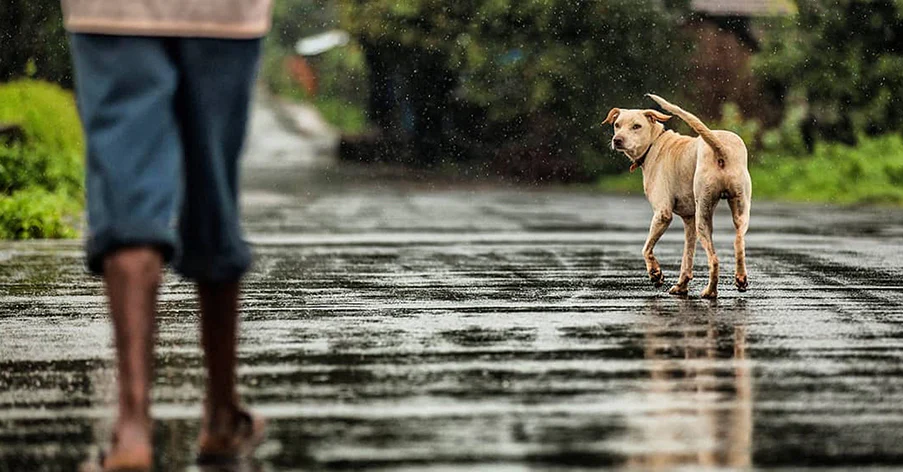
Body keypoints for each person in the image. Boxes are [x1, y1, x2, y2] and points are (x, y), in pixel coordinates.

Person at [61, 1, 273, 470]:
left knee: (128, 192)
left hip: (113, 12)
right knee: (213, 190)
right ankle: (220, 413)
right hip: (222, 16)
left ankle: (133, 429)